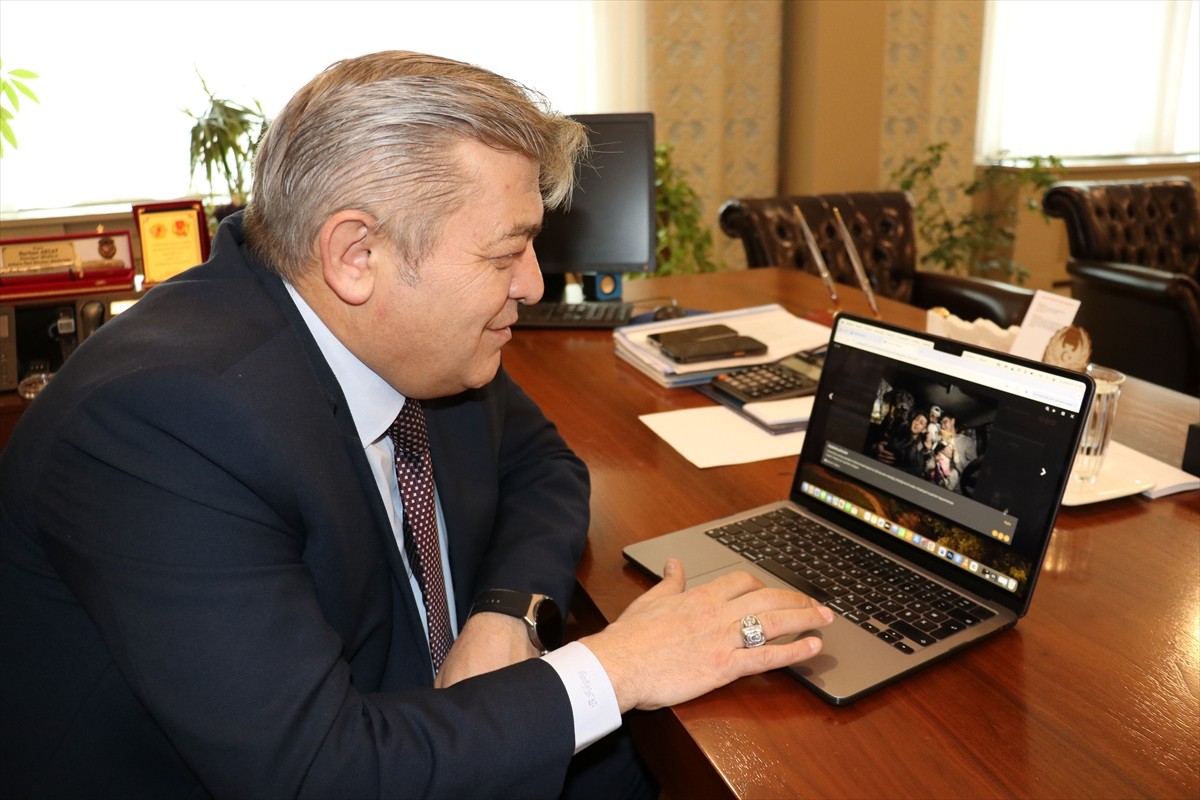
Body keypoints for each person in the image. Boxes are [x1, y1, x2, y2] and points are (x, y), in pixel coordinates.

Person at [0, 51, 833, 799]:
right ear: (356, 255)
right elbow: (318, 774)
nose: (534, 285)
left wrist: (505, 613)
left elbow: (543, 466)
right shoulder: (165, 424)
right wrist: (616, 667)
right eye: (505, 253)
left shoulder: (408, 340)